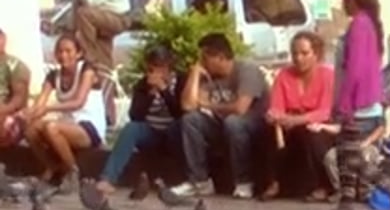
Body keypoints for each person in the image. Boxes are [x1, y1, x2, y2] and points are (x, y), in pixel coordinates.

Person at [172, 33, 267, 200]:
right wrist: (195, 74)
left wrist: (208, 105)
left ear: (220, 57)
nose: (202, 62)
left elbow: (240, 108)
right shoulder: (208, 76)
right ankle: (200, 181)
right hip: (223, 125)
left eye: (205, 58)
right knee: (191, 120)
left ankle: (243, 181)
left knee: (233, 122)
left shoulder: (246, 70)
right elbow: (188, 106)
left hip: (253, 124)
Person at [331, 0, 390, 208]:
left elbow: (354, 68)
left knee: (348, 158)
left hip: (358, 105)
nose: (343, 5)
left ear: (352, 0)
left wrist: (345, 104)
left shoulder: (359, 25)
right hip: (367, 103)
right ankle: (348, 203)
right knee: (349, 156)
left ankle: (382, 185)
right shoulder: (370, 25)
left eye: (344, 0)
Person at [97, 46, 187, 194]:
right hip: (152, 133)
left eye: (160, 67)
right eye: (151, 68)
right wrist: (150, 94)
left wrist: (164, 90)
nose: (155, 72)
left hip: (173, 133)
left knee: (181, 125)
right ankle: (108, 178)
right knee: (131, 129)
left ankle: (188, 178)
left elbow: (179, 112)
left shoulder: (181, 82)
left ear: (168, 68)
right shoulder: (142, 85)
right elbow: (135, 115)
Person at [262, 31, 338, 200]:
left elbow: (325, 111)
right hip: (289, 125)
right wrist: (274, 116)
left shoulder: (327, 75)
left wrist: (297, 120)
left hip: (318, 125)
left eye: (304, 53)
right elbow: (277, 106)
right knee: (267, 130)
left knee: (313, 135)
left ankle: (323, 186)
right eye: (295, 53)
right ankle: (274, 182)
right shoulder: (284, 75)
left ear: (316, 54)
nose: (298, 58)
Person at [24, 34, 108, 186]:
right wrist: (29, 114)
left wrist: (48, 108)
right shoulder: (53, 76)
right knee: (30, 130)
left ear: (78, 53)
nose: (63, 55)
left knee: (52, 127)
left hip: (89, 126)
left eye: (68, 51)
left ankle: (73, 171)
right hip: (68, 123)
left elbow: (78, 102)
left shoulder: (87, 71)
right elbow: (41, 102)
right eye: (60, 51)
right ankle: (52, 166)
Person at [0, 29, 31, 148]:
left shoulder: (15, 65)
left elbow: (19, 100)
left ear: (3, 40)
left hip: (9, 114)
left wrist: (3, 110)